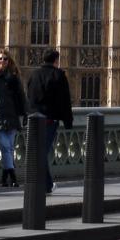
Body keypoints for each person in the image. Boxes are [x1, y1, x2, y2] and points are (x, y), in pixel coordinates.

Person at [27, 49, 73, 193]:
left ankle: (45, 184)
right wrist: (68, 122)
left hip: (34, 119)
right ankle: (44, 184)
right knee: (41, 153)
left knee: (38, 152)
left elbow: (29, 97)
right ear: (56, 60)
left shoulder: (33, 74)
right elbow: (65, 101)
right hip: (49, 120)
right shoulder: (58, 75)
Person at [0, 49, 27, 186]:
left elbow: (22, 97)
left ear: (9, 61)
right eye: (0, 59)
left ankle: (4, 179)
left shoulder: (14, 78)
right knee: (6, 147)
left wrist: (25, 113)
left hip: (11, 115)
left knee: (9, 148)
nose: (2, 61)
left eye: (5, 59)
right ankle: (13, 178)